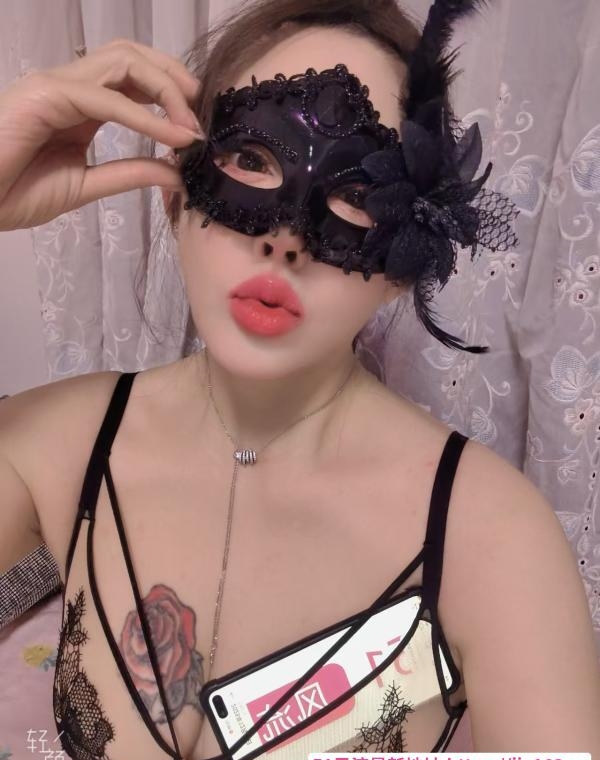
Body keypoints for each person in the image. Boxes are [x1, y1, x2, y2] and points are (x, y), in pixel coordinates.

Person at [1, 0, 599, 757]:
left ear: (404, 263)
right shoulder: (51, 445)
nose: (286, 239)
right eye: (252, 159)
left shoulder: (495, 538)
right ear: (176, 191)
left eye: (357, 195)